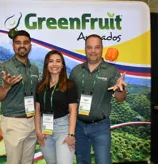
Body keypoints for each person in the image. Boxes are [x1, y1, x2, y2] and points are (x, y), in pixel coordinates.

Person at [69, 34, 127, 164]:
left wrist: (119, 89)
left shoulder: (112, 71)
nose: (93, 51)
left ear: (102, 48)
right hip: (78, 126)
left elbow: (121, 98)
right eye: (89, 47)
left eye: (97, 47)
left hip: (100, 127)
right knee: (82, 161)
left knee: (103, 161)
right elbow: (69, 98)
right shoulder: (76, 71)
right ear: (85, 49)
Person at [0, 30, 39, 164]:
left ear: (30, 45)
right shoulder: (4, 67)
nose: (22, 45)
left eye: (25, 42)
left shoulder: (34, 69)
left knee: (27, 161)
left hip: (32, 121)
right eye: (18, 42)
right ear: (13, 46)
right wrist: (6, 86)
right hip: (14, 122)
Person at [35, 50, 78, 164]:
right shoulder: (40, 85)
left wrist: (71, 134)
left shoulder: (69, 85)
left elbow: (73, 111)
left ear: (62, 65)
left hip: (63, 129)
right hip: (45, 130)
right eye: (51, 61)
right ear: (46, 65)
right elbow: (37, 110)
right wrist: (38, 131)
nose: (54, 64)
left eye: (58, 61)